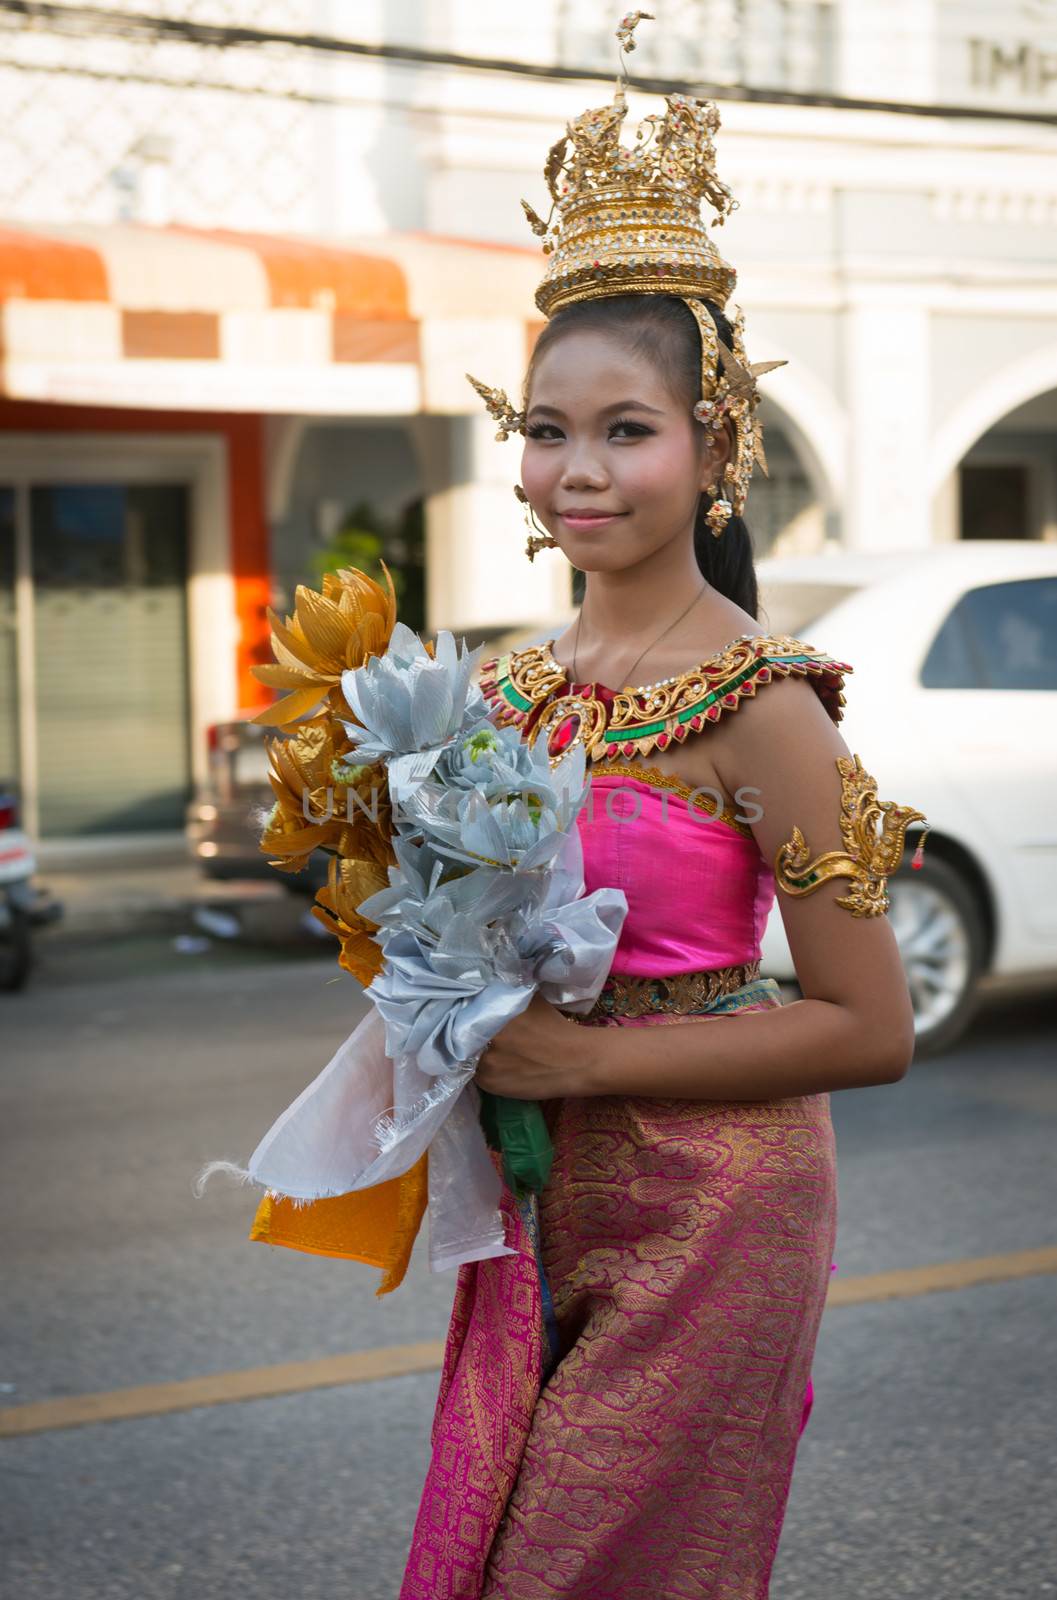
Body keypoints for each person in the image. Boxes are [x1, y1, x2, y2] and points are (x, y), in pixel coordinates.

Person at [399, 14, 927, 1598]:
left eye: (624, 429)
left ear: (715, 448)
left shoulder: (764, 702)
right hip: (538, 1187)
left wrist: (579, 1052)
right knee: (502, 1548)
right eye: (546, 429)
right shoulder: (495, 694)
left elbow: (869, 1025)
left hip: (718, 1206)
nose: (577, 468)